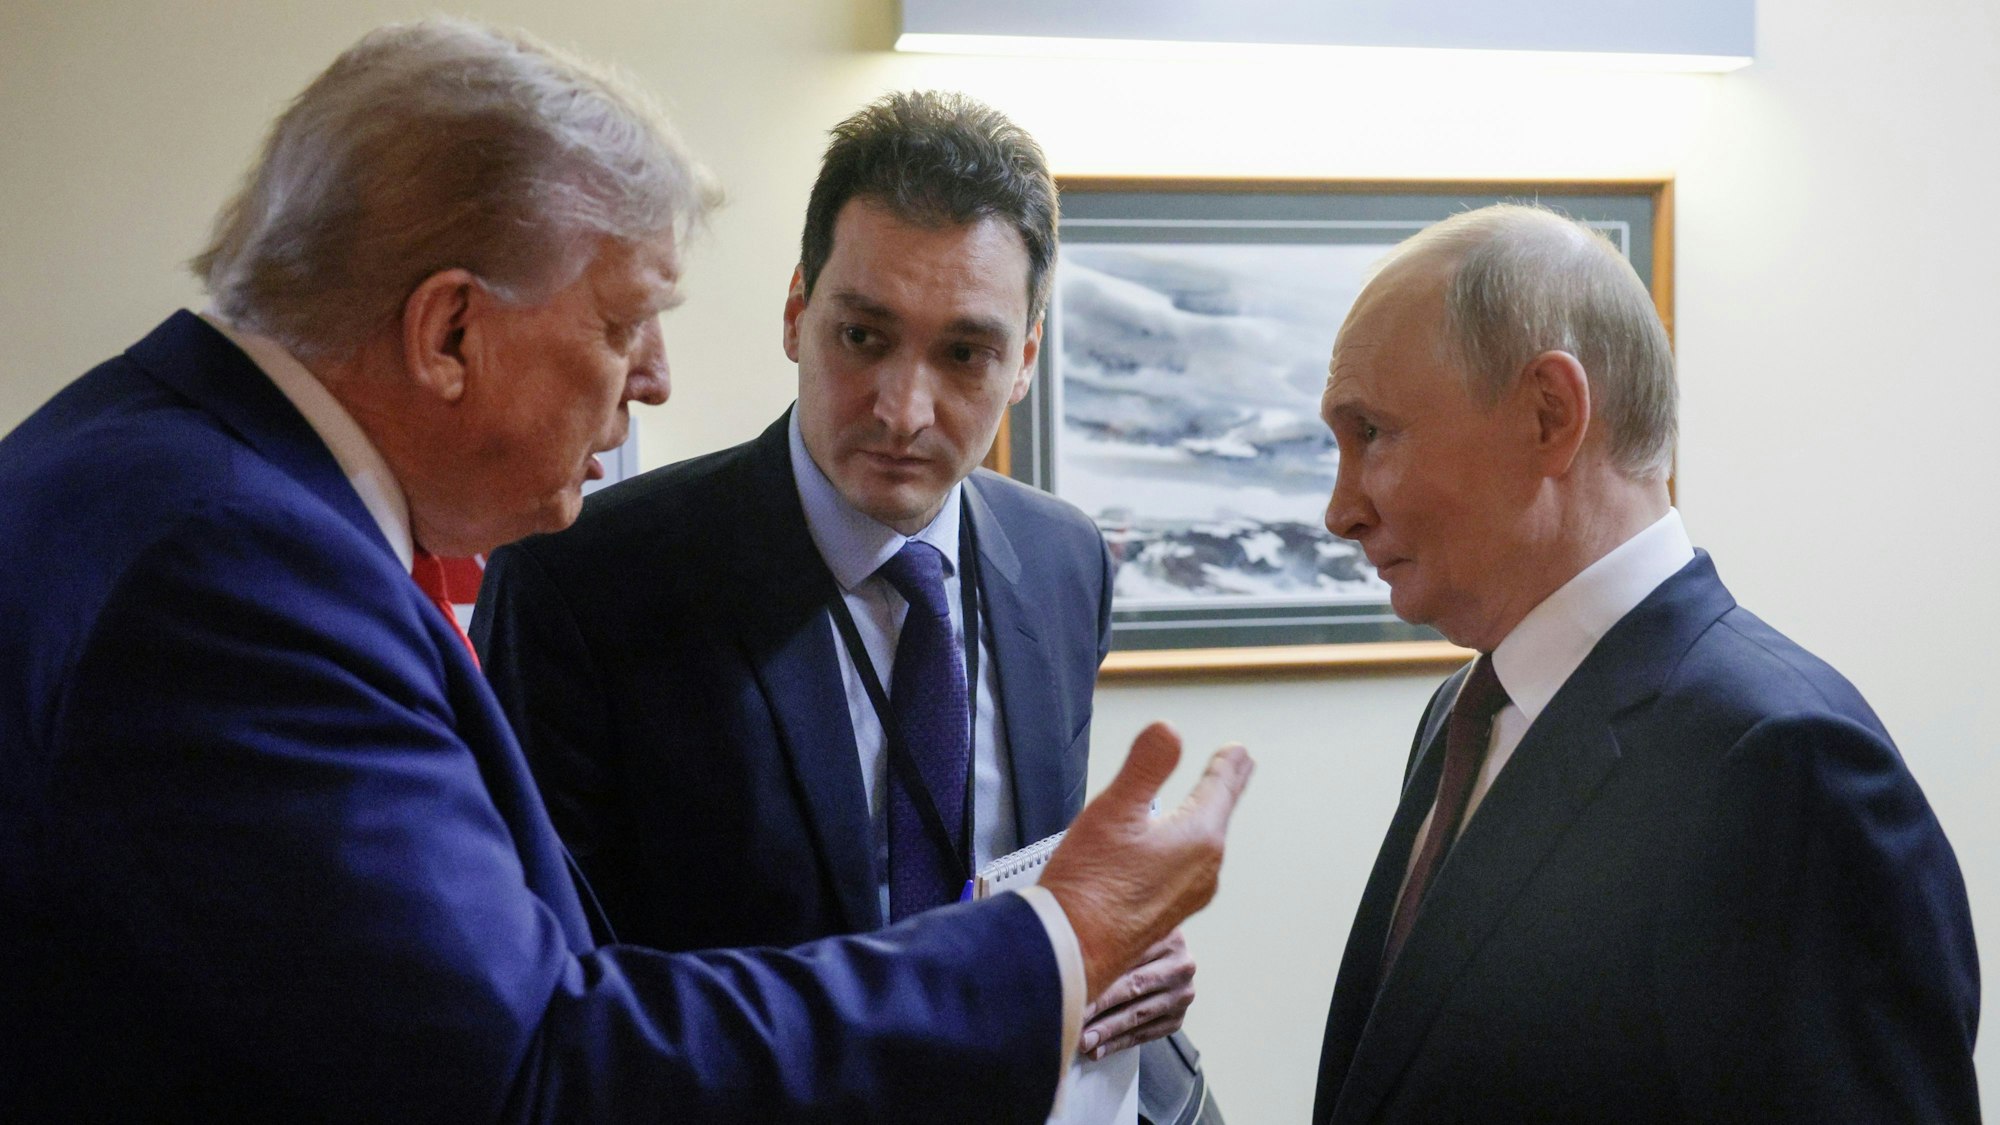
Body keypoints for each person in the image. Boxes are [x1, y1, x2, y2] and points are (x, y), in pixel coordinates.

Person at [0, 20, 1255, 1123]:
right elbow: (531, 1060)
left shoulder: (158, 472)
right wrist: (1046, 950)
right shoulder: (236, 570)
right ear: (449, 330)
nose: (654, 378)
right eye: (618, 323)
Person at [472, 90, 1219, 1125]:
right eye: (863, 336)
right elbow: (552, 1008)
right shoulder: (583, 582)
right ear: (795, 313)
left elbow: (1021, 887)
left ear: (1027, 360)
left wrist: (1112, 959)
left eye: (964, 354)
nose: (902, 411)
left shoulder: (1062, 560)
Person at [1307, 203, 1979, 1123]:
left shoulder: (1786, 761)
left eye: (1372, 433)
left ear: (1550, 413)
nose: (1340, 509)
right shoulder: (1469, 710)